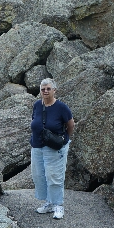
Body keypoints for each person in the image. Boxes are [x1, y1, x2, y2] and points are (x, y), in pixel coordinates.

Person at [30, 78, 74, 219]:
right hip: (37, 146)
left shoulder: (61, 107)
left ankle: (58, 205)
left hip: (54, 148)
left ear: (54, 90)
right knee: (39, 176)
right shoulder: (37, 105)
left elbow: (70, 125)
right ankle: (49, 202)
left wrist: (64, 139)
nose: (45, 91)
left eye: (48, 89)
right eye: (43, 89)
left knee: (54, 176)